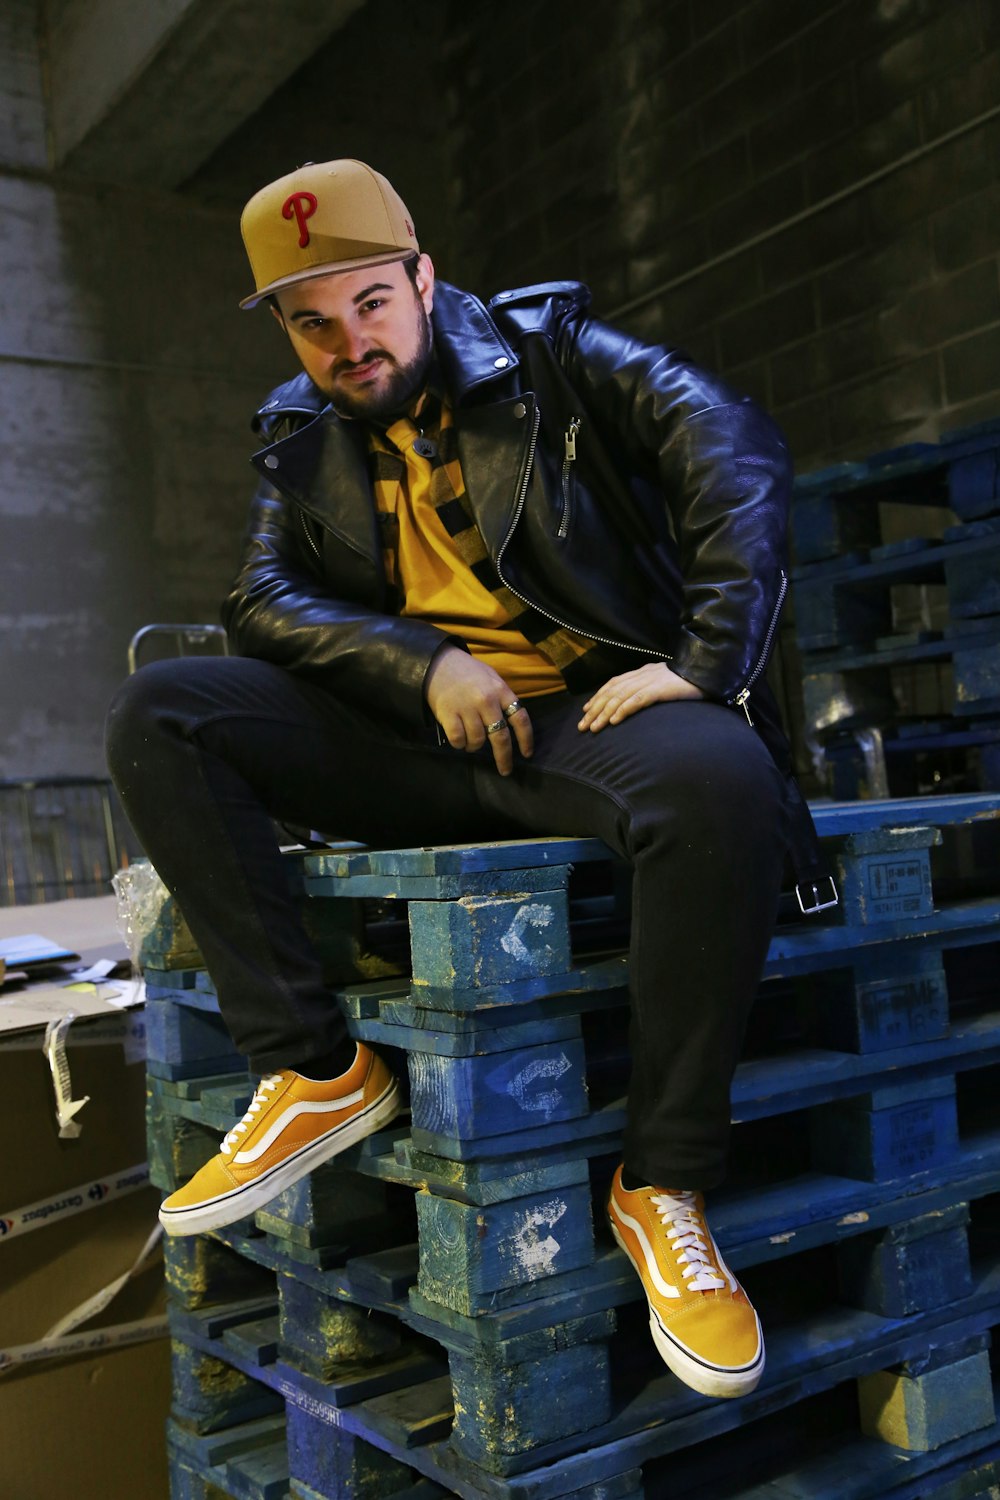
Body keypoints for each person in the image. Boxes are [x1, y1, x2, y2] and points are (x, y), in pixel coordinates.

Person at [106, 158, 821, 1402]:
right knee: (163, 710)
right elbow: (260, 601)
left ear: (423, 278)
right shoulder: (298, 433)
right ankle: (321, 1072)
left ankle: (661, 1183)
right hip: (415, 736)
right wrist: (418, 659)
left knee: (717, 774)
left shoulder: (556, 356)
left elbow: (734, 447)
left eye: (371, 302)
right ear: (285, 328)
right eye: (312, 320)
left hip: (579, 720)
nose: (350, 342)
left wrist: (704, 663)